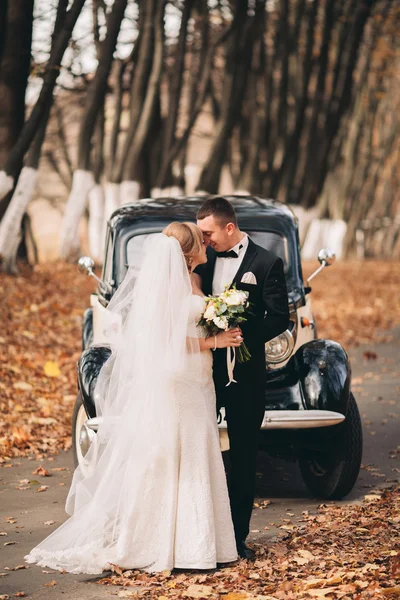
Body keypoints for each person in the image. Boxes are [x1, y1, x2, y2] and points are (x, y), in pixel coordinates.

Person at [24, 222, 240, 574]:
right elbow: (164, 338)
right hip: (178, 378)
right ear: (187, 253)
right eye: (200, 242)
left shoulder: (197, 281)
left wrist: (217, 324)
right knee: (172, 454)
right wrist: (215, 341)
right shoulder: (169, 285)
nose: (206, 244)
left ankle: (199, 542)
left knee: (198, 451)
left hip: (200, 377)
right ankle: (159, 543)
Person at [196, 197, 290, 561]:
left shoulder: (266, 263)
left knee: (245, 455)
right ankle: (199, 535)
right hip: (199, 370)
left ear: (229, 228)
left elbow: (279, 317)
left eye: (209, 232)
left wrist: (240, 334)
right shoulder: (201, 260)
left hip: (245, 375)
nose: (205, 240)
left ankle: (236, 539)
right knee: (195, 450)